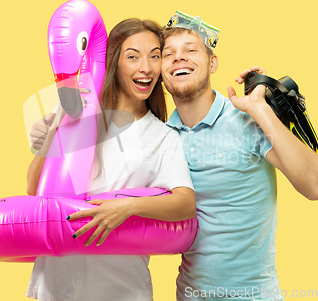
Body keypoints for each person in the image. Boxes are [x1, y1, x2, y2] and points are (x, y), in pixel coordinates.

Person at [160, 12, 318, 300]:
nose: (179, 58)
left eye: (191, 50)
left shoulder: (246, 120)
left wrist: (260, 110)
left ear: (212, 62)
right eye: (168, 54)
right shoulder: (163, 137)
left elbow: (317, 185)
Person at [25, 18, 196, 301]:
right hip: (54, 288)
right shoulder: (78, 112)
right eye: (133, 57)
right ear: (113, 62)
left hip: (122, 290)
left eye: (155, 56)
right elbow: (34, 190)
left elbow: (185, 203)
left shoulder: (163, 136)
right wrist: (59, 120)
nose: (146, 67)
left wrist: (127, 207)